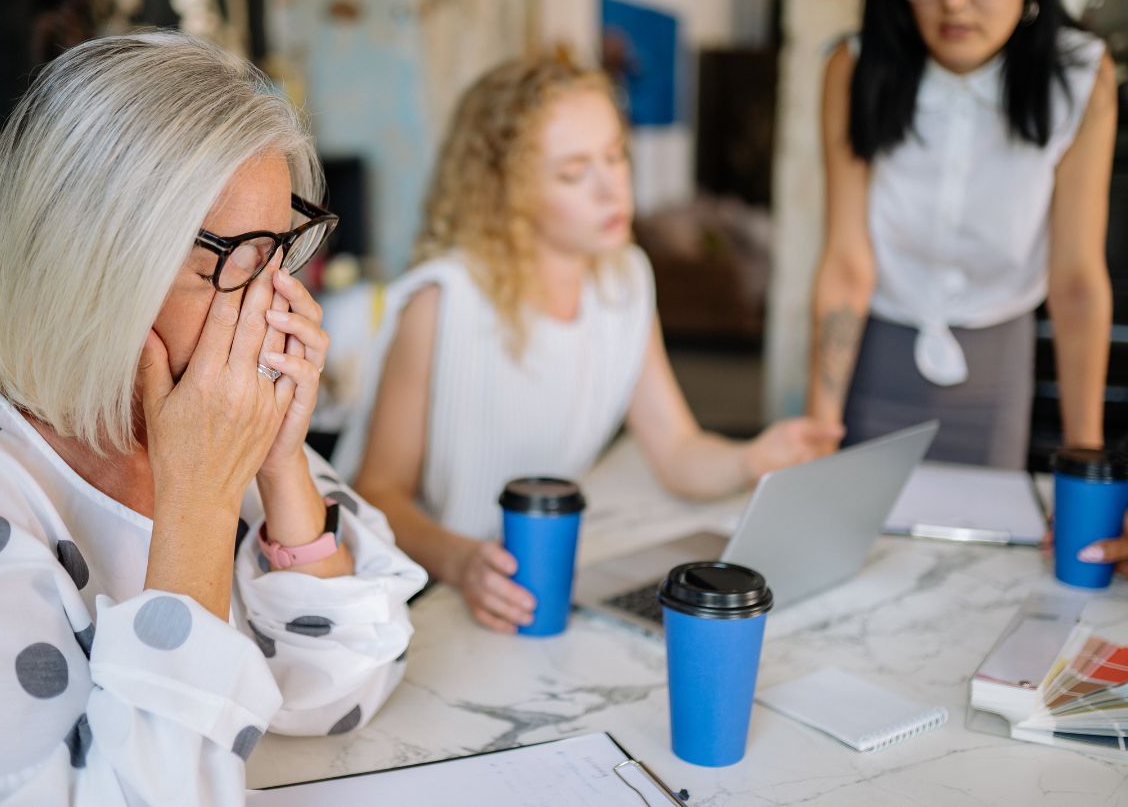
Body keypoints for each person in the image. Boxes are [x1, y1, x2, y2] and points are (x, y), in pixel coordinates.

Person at [0, 31, 427, 806]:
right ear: (92, 269)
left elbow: (341, 689)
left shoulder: (212, 413)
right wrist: (198, 503)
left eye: (280, 251)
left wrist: (281, 466)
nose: (272, 303)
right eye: (232, 261)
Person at [333, 56, 842, 633]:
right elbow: (377, 493)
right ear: (508, 191)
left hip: (535, 579)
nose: (612, 189)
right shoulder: (442, 301)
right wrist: (461, 561)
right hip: (415, 594)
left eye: (615, 156)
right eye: (574, 173)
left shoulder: (625, 280)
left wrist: (752, 458)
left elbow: (676, 449)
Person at [808, 0, 1117, 470]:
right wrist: (819, 433)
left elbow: (1076, 282)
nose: (953, 0)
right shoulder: (853, 69)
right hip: (872, 359)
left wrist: (1086, 466)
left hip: (997, 371)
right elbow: (846, 263)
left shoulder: (1080, 79)